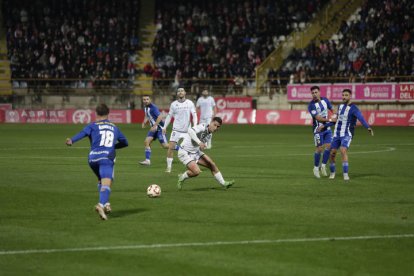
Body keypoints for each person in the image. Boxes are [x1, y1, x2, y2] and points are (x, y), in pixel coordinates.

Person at [65, 104, 128, 220]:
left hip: (92, 159)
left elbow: (82, 134)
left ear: (96, 113)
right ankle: (101, 204)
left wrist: (71, 140)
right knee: (107, 183)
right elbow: (125, 142)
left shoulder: (92, 125)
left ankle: (107, 203)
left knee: (101, 180)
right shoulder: (114, 127)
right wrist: (113, 147)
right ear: (108, 113)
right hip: (106, 158)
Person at [319, 89, 374, 181]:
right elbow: (336, 120)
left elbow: (361, 118)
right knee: (332, 153)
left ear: (350, 96)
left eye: (346, 95)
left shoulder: (354, 108)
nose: (344, 97)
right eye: (343, 95)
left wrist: (367, 127)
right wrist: (325, 126)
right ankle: (332, 173)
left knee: (343, 150)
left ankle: (345, 174)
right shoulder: (340, 106)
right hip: (337, 134)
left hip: (347, 134)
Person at [177, 117, 234, 190]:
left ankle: (224, 183)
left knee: (211, 164)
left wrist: (203, 146)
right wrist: (199, 143)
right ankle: (182, 176)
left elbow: (203, 144)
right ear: (211, 122)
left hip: (195, 152)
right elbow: (190, 131)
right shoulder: (202, 126)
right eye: (215, 125)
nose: (216, 128)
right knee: (196, 172)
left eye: (218, 127)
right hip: (184, 151)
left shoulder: (210, 135)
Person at [162, 87, 198, 173]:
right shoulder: (174, 104)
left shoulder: (190, 103)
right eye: (179, 91)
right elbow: (169, 116)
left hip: (187, 131)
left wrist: (195, 126)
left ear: (185, 93)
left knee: (191, 150)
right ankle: (169, 168)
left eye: (182, 91)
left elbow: (194, 115)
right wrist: (164, 127)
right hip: (176, 130)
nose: (180, 92)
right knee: (171, 148)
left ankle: (194, 166)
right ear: (177, 94)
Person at [308, 85, 334, 178]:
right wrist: (331, 120)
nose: (314, 94)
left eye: (316, 92)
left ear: (319, 92)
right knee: (319, 149)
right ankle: (315, 168)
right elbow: (318, 118)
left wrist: (335, 115)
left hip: (327, 129)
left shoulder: (325, 100)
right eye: (313, 93)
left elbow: (332, 109)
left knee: (329, 147)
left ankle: (323, 166)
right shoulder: (311, 105)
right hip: (318, 129)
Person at [139, 95, 169, 166]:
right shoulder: (146, 108)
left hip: (159, 129)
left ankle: (181, 149)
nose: (146, 101)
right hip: (153, 129)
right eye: (144, 99)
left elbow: (160, 116)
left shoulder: (153, 107)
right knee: (146, 142)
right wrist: (144, 122)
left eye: (147, 99)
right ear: (142, 101)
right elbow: (147, 115)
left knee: (165, 146)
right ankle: (147, 161)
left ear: (150, 100)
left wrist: (154, 125)